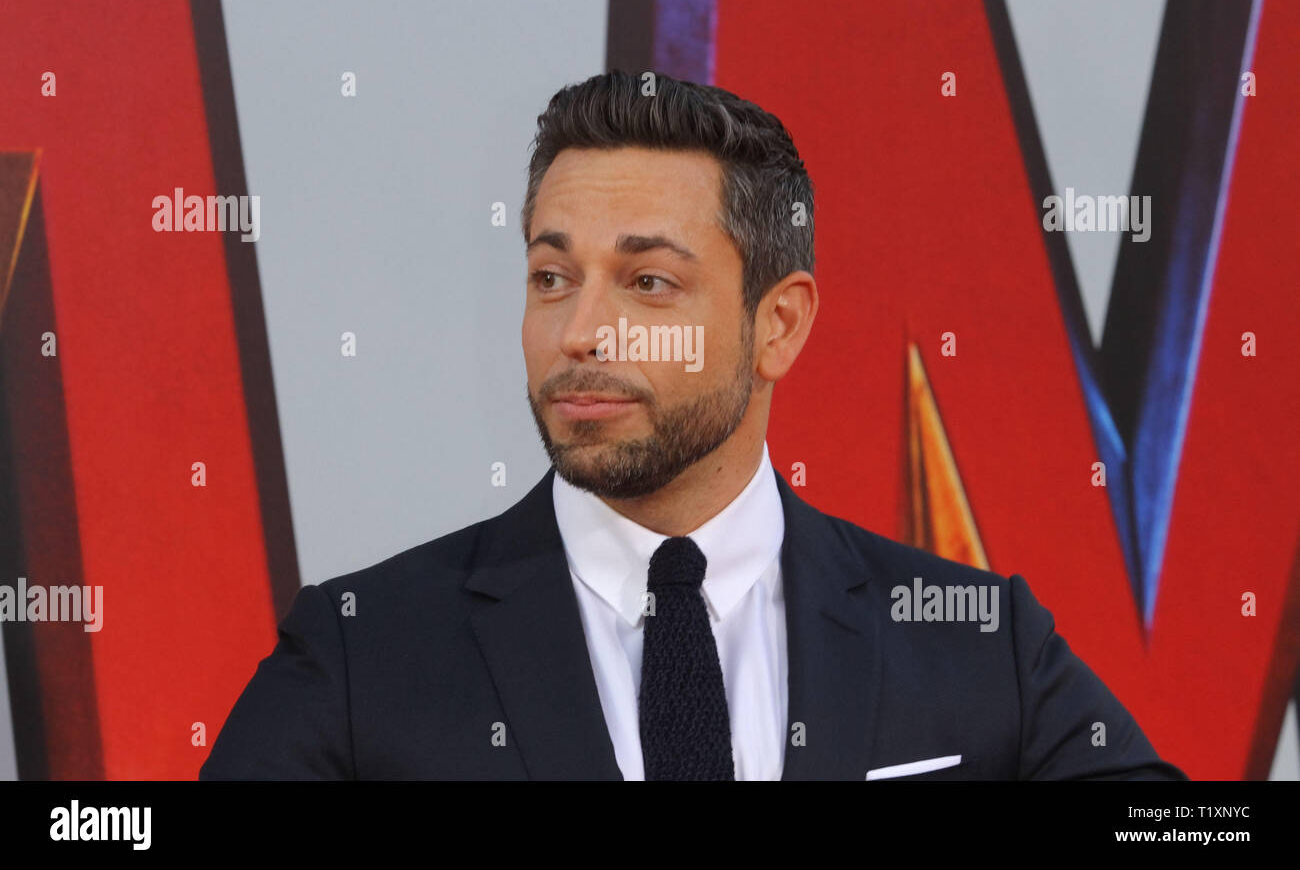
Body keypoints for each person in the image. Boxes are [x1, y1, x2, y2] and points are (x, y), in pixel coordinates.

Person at [200, 71, 1185, 780]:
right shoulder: (363, 651)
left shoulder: (979, 640)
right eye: (552, 277)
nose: (579, 332)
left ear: (778, 323)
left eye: (648, 281)